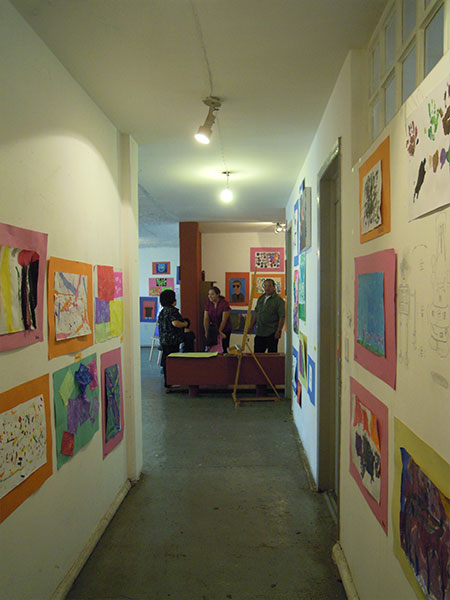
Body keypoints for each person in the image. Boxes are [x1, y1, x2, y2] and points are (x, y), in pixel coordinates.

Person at [157, 289, 188, 387]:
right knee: (173, 360)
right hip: (172, 340)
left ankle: (167, 381)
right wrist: (185, 324)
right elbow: (175, 323)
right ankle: (173, 381)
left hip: (163, 339)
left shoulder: (162, 311)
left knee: (166, 360)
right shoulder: (172, 311)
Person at [250, 278, 285, 352]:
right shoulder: (261, 298)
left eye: (269, 286)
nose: (267, 288)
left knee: (271, 356)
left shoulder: (279, 300)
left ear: (274, 287)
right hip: (260, 332)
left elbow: (282, 316)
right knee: (257, 355)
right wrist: (251, 326)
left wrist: (279, 331)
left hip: (272, 333)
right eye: (265, 286)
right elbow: (256, 312)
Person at [203, 286, 232, 353]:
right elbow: (206, 318)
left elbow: (224, 320)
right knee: (212, 348)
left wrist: (219, 332)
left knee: (223, 348)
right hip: (213, 329)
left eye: (212, 294)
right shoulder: (208, 303)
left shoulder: (224, 304)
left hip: (225, 329)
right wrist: (206, 332)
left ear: (217, 295)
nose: (210, 296)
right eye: (209, 294)